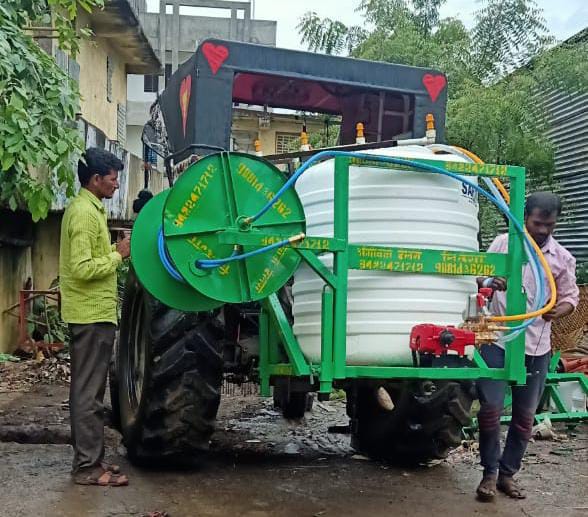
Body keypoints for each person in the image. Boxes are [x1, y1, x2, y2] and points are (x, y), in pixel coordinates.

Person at [475, 192, 579, 501]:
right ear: (524, 219)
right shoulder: (503, 244)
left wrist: (558, 310)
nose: (543, 230)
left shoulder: (561, 258)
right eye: (537, 224)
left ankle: (507, 475)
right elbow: (478, 276)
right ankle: (489, 473)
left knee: (524, 417)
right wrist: (490, 282)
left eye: (550, 225)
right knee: (491, 409)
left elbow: (570, 297)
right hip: (496, 338)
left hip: (535, 345)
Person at [59, 147, 130, 486]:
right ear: (96, 179)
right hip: (90, 316)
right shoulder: (84, 214)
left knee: (89, 391)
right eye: (113, 179)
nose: (117, 184)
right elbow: (82, 268)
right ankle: (87, 468)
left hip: (94, 313)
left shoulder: (91, 209)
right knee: (88, 395)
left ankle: (92, 460)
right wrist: (118, 256)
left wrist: (113, 251)